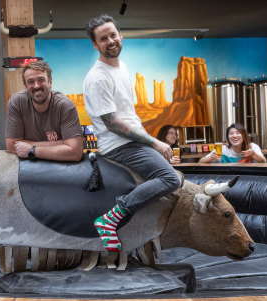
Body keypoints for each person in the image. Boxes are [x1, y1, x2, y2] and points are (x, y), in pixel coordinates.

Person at [83, 14, 181, 254]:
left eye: (113, 35)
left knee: (171, 172)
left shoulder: (122, 67)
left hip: (132, 142)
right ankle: (110, 219)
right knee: (170, 179)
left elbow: (130, 115)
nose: (110, 41)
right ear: (95, 45)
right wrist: (155, 142)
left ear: (121, 35)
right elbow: (114, 124)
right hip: (118, 145)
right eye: (103, 38)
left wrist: (153, 146)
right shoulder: (97, 77)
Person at [5, 61, 83, 162]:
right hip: (28, 165)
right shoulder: (17, 102)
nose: (36, 86)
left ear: (50, 82)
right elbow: (12, 146)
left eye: (41, 80)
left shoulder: (65, 105)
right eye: (31, 81)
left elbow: (75, 152)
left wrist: (32, 150)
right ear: (25, 86)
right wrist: (61, 143)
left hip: (60, 166)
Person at [199, 123, 267, 163]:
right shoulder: (222, 149)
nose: (234, 136)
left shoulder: (252, 147)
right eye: (231, 134)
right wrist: (210, 158)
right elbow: (200, 162)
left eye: (238, 133)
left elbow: (264, 161)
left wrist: (253, 154)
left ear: (244, 135)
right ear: (228, 137)